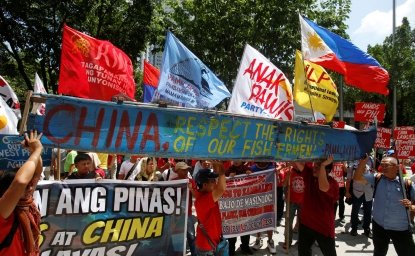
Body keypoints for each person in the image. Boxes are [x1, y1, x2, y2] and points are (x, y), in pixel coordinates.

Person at [354, 155, 415, 256]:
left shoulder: (406, 184)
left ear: (397, 167)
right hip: (379, 226)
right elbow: (357, 178)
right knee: (379, 252)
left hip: (401, 229)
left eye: (387, 165)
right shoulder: (377, 178)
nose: (383, 168)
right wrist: (363, 162)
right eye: (382, 165)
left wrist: (411, 207)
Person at [0, 130, 43, 255]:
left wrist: (33, 151)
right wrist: (37, 151)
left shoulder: (24, 202)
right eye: (27, 186)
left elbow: (36, 172)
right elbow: (20, 182)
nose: (31, 188)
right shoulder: (3, 210)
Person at [295, 156, 339, 256]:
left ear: (327, 170)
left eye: (318, 166)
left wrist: (323, 165)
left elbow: (323, 187)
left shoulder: (333, 184)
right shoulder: (309, 174)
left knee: (330, 254)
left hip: (323, 227)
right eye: (315, 165)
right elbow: (297, 162)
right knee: (303, 252)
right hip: (306, 223)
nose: (314, 167)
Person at [192, 162, 227, 256]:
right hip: (206, 248)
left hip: (213, 243)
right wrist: (222, 173)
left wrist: (216, 167)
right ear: (204, 185)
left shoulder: (205, 192)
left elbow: (220, 187)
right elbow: (222, 189)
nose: (215, 183)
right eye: (212, 181)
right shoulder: (202, 201)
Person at [226, 161, 254, 255]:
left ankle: (245, 246)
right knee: (232, 228)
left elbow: (254, 180)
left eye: (237, 159)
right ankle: (231, 250)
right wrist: (228, 177)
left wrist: (250, 174)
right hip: (233, 206)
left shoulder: (246, 168)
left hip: (244, 205)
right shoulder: (229, 170)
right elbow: (223, 181)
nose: (236, 162)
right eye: (234, 160)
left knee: (245, 227)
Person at [250, 162, 277, 254]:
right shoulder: (252, 168)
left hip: (268, 198)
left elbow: (276, 182)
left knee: (269, 219)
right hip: (256, 199)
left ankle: (270, 240)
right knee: (257, 219)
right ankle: (258, 238)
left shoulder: (272, 167)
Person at [172, 161, 196, 256]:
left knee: (191, 237)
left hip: (188, 214)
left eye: (187, 169)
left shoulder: (191, 181)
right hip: (176, 215)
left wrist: (191, 189)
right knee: (177, 238)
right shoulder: (172, 182)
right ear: (177, 170)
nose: (186, 171)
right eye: (183, 169)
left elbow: (196, 196)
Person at [347, 160, 373, 238]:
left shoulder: (369, 166)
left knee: (368, 212)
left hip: (368, 193)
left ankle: (366, 229)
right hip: (357, 192)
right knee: (355, 211)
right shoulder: (352, 166)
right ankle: (354, 228)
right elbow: (348, 180)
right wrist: (347, 191)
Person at [283, 162, 305, 250]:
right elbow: (284, 185)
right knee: (288, 221)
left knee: (303, 222)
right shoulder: (290, 171)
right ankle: (287, 241)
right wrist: (287, 176)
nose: (296, 165)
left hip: (303, 201)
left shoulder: (305, 172)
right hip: (291, 201)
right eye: (295, 163)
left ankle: (303, 241)